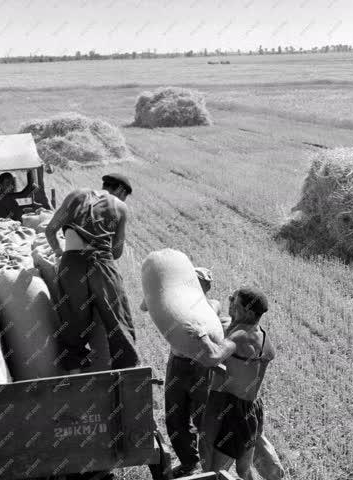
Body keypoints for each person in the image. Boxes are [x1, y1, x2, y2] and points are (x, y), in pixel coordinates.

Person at [141, 267, 231, 478]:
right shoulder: (176, 305)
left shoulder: (211, 306)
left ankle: (210, 467)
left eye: (201, 284)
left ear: (207, 287)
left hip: (200, 367)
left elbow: (218, 318)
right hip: (178, 364)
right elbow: (147, 306)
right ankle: (189, 462)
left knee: (202, 419)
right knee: (175, 417)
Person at [45, 173, 139, 374]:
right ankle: (127, 374)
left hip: (71, 265)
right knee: (118, 319)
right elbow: (117, 251)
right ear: (121, 191)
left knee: (72, 321)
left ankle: (75, 373)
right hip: (102, 266)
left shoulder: (76, 195)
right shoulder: (120, 206)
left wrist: (60, 252)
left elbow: (50, 230)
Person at [196, 286, 279, 480]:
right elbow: (245, 369)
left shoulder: (240, 335)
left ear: (249, 312)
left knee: (214, 473)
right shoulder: (263, 337)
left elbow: (212, 357)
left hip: (235, 413)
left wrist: (201, 334)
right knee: (244, 470)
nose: (230, 302)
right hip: (253, 409)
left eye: (235, 301)